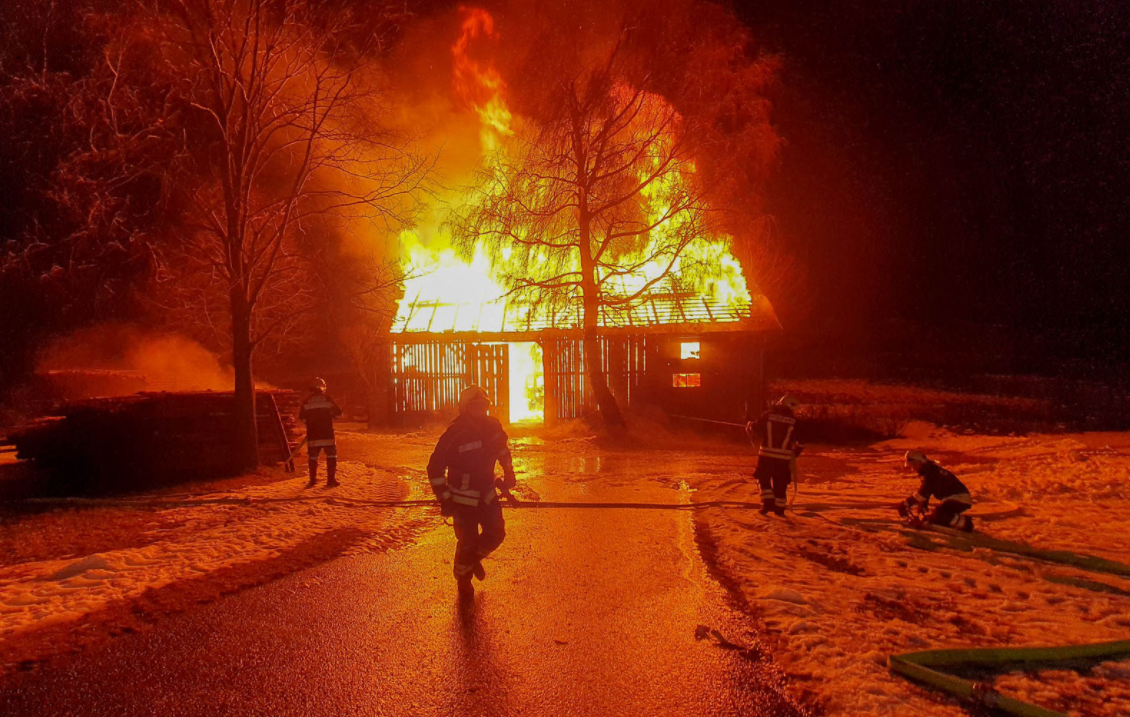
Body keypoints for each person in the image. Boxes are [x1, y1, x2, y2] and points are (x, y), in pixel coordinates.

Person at [427, 386, 517, 599]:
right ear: (465, 409)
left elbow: (503, 450)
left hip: (487, 495)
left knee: (496, 535)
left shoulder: (493, 426)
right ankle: (464, 583)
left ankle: (471, 561)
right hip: (462, 502)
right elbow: (435, 467)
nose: (482, 410)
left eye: (484, 406)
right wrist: (444, 498)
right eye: (476, 407)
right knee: (466, 544)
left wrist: (509, 472)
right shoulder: (454, 433)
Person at [746, 395, 804, 516]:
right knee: (781, 483)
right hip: (784, 459)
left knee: (763, 479)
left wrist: (750, 426)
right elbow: (802, 441)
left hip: (766, 456)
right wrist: (795, 453)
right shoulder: (795, 421)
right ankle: (780, 509)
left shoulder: (767, 415)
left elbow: (757, 429)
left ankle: (767, 504)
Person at [898, 450, 974, 532]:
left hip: (959, 498)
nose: (913, 468)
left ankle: (965, 523)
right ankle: (953, 521)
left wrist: (907, 503)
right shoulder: (930, 470)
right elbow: (928, 490)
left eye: (914, 465)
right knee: (937, 515)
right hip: (955, 498)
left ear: (920, 462)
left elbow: (924, 491)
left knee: (940, 515)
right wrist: (923, 503)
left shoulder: (931, 472)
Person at [298, 377, 343, 488]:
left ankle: (312, 481)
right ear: (323, 388)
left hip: (313, 435)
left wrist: (311, 424)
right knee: (331, 456)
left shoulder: (307, 401)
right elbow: (338, 413)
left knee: (313, 457)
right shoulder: (327, 400)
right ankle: (331, 480)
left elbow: (302, 418)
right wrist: (331, 416)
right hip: (327, 433)